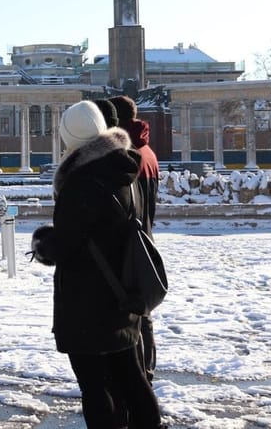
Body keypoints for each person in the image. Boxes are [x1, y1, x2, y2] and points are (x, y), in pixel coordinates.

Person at [31, 100, 162, 428]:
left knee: (94, 386)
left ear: (71, 136)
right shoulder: (123, 169)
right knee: (131, 379)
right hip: (122, 292)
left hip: (88, 302)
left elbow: (67, 244)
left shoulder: (82, 181)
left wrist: (44, 243)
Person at [110, 95, 161, 384]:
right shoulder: (149, 152)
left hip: (130, 243)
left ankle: (138, 378)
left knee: (132, 314)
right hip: (147, 237)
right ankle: (145, 372)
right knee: (142, 310)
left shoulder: (127, 154)